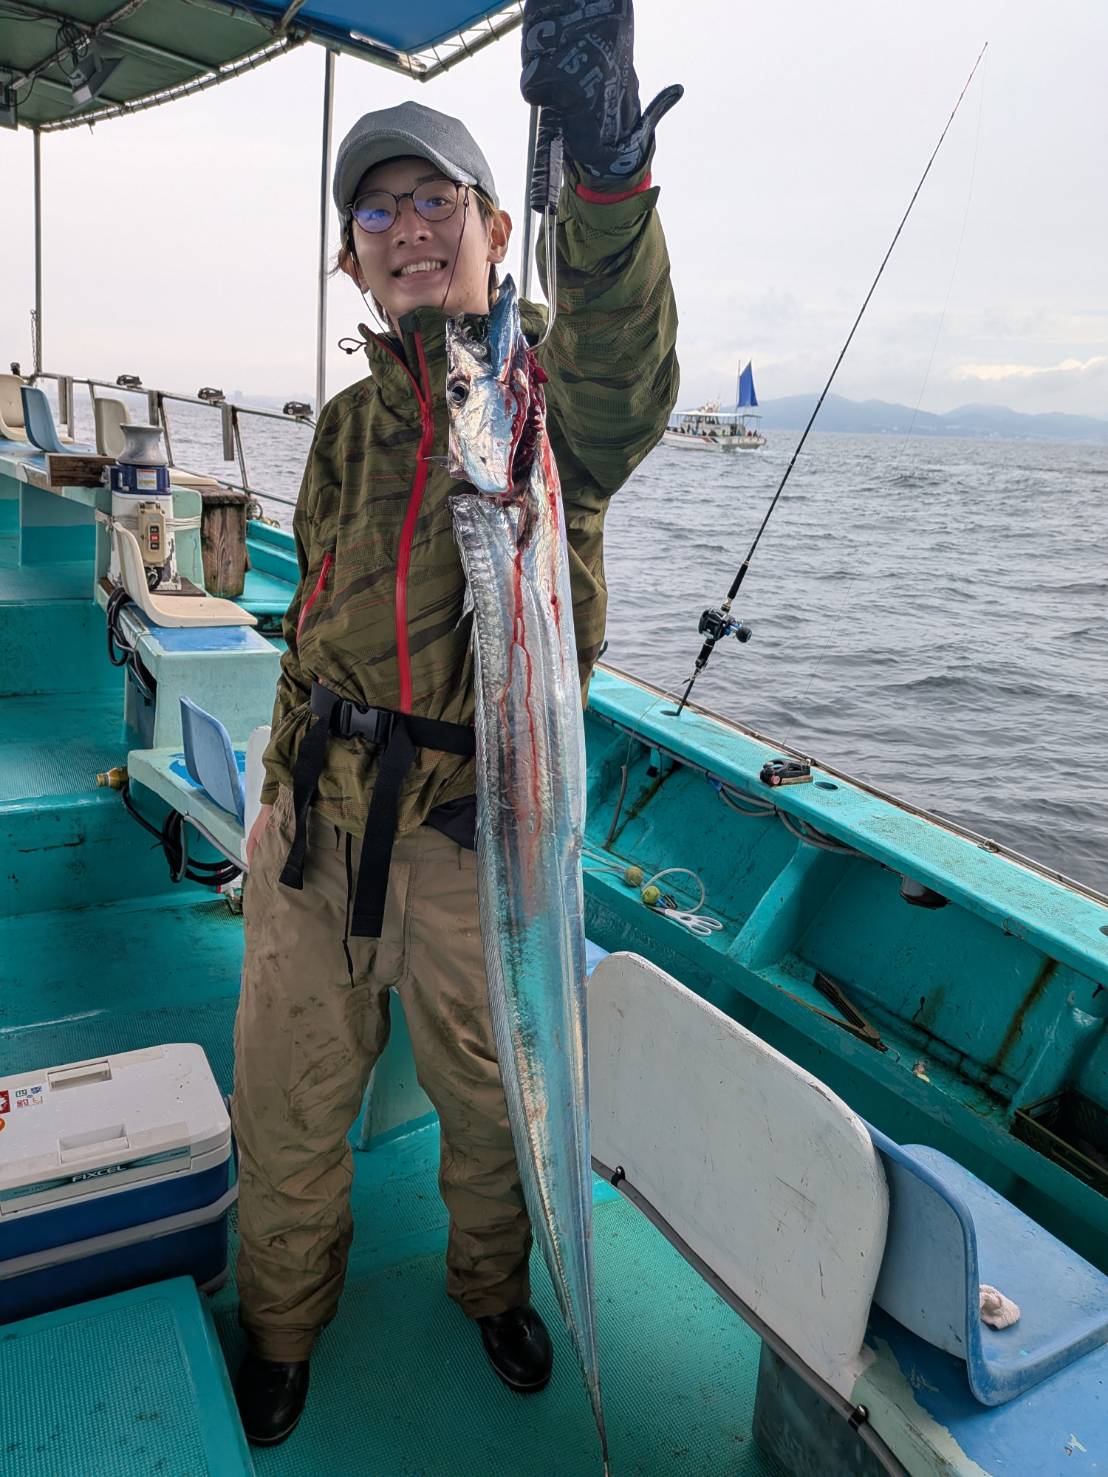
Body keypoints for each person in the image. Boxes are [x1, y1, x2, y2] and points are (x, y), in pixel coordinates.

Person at [231, 0, 681, 1447]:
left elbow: (626, 373)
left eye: (438, 201)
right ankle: (281, 1324)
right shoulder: (346, 425)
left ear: (495, 228)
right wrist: (274, 790)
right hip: (314, 827)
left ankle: (493, 1287)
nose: (409, 228)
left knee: (492, 1106)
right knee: (287, 1102)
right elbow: (310, 619)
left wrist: (603, 175)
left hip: (469, 841)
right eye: (379, 211)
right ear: (351, 257)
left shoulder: (544, 410)